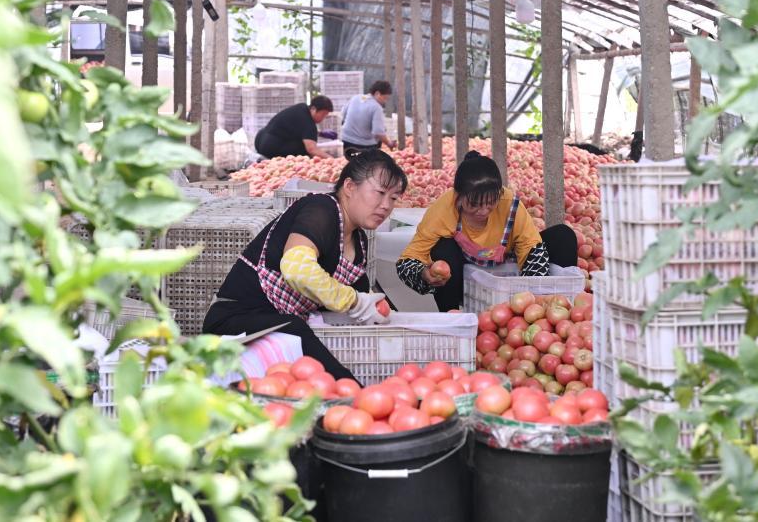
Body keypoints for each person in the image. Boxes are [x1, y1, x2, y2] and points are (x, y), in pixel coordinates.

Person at [203, 150, 408, 381]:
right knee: (299, 333)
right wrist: (353, 300)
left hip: (281, 328)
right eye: (380, 193)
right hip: (236, 324)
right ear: (350, 187)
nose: (385, 205)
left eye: (393, 198)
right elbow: (297, 269)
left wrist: (374, 306)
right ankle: (353, 394)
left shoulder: (358, 240)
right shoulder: (321, 209)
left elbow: (358, 297)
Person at [395, 151, 578, 311]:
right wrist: (424, 273)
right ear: (458, 196)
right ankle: (452, 316)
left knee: (563, 236)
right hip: (464, 276)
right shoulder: (443, 210)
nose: (483, 211)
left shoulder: (509, 204)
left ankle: (558, 308)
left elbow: (531, 247)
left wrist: (531, 302)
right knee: (443, 249)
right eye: (474, 204)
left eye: (490, 203)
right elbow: (408, 260)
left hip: (508, 267)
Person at [254, 95, 334, 159]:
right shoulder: (308, 122)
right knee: (304, 150)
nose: (323, 118)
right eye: (323, 114)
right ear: (313, 109)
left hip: (260, 140)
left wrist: (320, 133)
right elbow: (311, 149)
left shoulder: (301, 108)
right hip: (271, 148)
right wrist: (332, 159)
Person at [339, 80, 395, 159]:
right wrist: (389, 143)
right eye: (385, 98)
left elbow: (343, 114)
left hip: (346, 142)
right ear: (377, 93)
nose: (385, 101)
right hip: (364, 147)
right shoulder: (376, 107)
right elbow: (378, 132)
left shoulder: (356, 98)